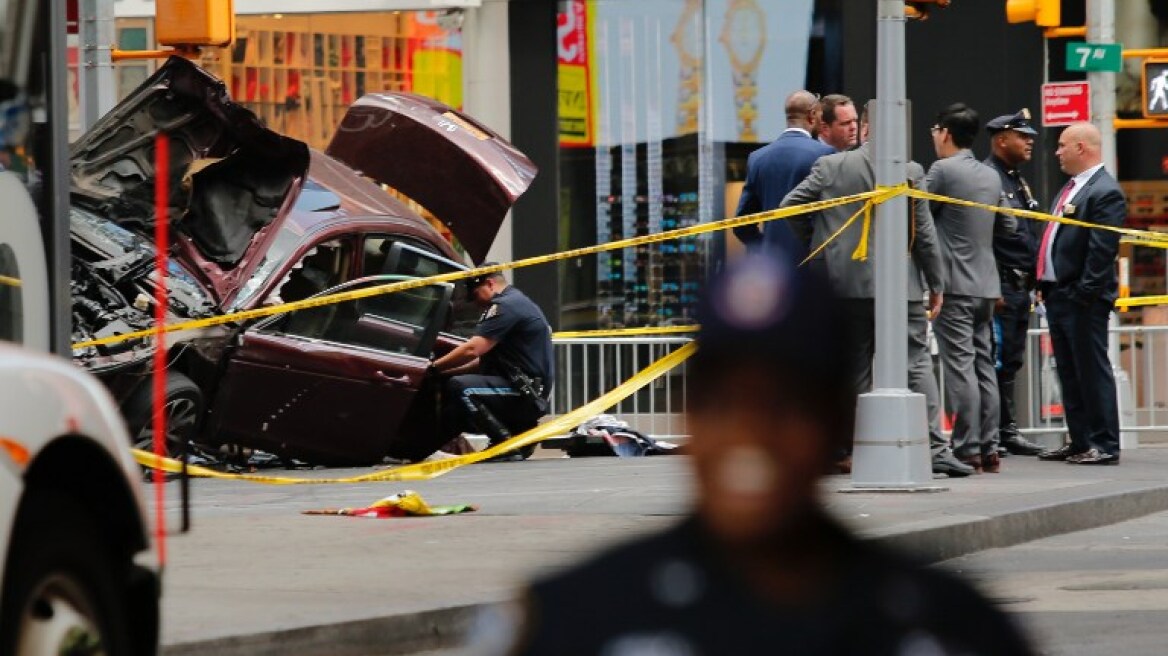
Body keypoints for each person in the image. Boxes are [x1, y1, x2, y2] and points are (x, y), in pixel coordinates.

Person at [485, 251, 1035, 655]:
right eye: (725, 403)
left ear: (837, 421)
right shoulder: (572, 621)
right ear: (689, 419)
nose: (752, 434)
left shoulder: (948, 630)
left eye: (787, 405)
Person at [782, 102, 973, 478]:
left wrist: (823, 247)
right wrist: (937, 282)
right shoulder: (911, 172)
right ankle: (933, 446)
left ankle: (852, 448)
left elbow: (790, 207)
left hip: (845, 285)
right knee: (917, 363)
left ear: (866, 129)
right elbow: (926, 235)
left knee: (853, 368)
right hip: (901, 286)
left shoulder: (832, 167)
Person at [925, 103, 1012, 474]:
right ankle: (990, 446)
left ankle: (967, 447)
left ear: (945, 132)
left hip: (955, 285)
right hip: (986, 285)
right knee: (983, 365)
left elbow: (918, 217)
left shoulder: (942, 171)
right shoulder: (991, 176)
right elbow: (1009, 226)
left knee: (959, 367)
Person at [1036, 122, 1126, 465]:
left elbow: (1101, 252)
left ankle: (1104, 444)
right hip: (1060, 295)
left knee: (1091, 369)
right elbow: (1057, 239)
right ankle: (1080, 440)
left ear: (1081, 148)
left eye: (1062, 145)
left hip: (1081, 299)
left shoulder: (1105, 191)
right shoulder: (1071, 189)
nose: (1056, 152)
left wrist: (1083, 294)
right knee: (1069, 371)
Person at [426, 266, 554, 462]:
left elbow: (472, 349)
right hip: (522, 387)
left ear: (490, 283)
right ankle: (515, 437)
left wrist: (433, 366)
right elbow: (480, 361)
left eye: (475, 294)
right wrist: (444, 371)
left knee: (462, 388)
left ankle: (504, 444)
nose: (475, 302)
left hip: (523, 392)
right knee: (455, 383)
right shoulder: (517, 302)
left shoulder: (506, 306)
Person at [984, 109, 1046, 458]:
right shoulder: (989, 177)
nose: (1030, 142)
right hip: (1002, 284)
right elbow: (986, 238)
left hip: (1019, 285)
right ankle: (998, 430)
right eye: (1023, 136)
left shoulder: (1014, 179)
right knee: (998, 358)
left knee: (1011, 360)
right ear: (1001, 138)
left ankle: (1005, 429)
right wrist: (992, 285)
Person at [732, 90, 834, 255]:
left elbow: (741, 225)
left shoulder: (757, 158)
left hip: (772, 270)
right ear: (812, 115)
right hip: (812, 264)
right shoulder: (825, 154)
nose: (821, 121)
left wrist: (766, 249)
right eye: (820, 116)